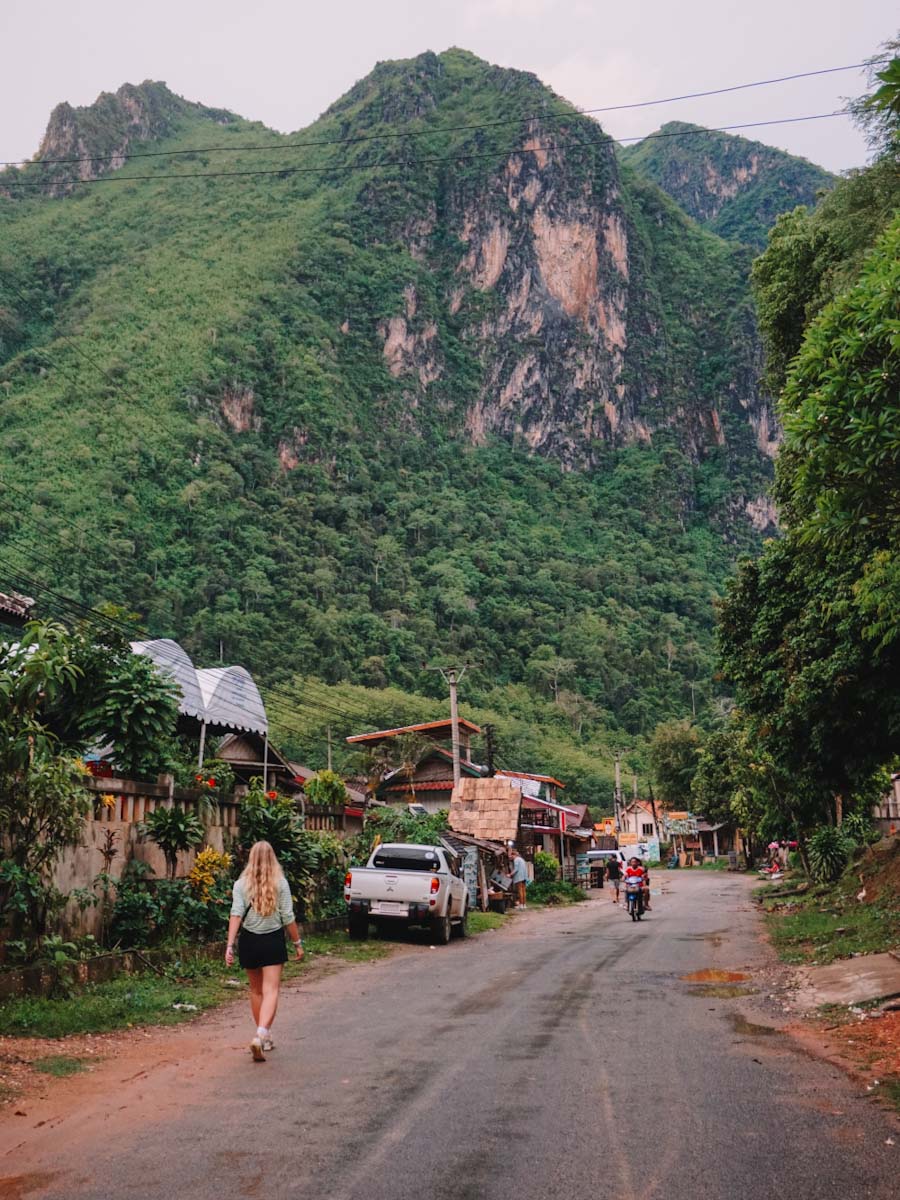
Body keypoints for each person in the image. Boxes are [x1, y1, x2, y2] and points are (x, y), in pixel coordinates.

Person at [225, 840, 304, 1062]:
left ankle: (264, 1035)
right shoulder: (281, 883)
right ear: (272, 858)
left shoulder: (240, 884)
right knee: (271, 990)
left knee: (256, 991)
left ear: (251, 859)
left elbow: (236, 914)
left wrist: (230, 945)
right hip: (272, 941)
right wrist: (297, 943)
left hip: (249, 941)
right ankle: (261, 1033)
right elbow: (288, 917)